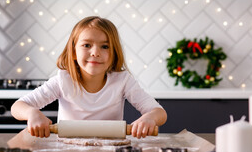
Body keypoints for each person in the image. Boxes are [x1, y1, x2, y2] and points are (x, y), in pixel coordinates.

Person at [11, 16, 167, 139]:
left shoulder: (123, 81)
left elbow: (159, 113)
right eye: (87, 45)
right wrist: (32, 113)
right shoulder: (62, 80)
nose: (95, 52)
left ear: (114, 54)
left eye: (105, 46)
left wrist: (150, 118)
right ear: (73, 52)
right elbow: (17, 107)